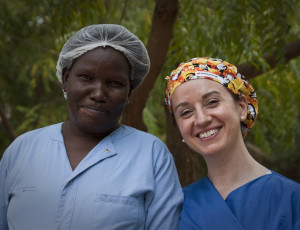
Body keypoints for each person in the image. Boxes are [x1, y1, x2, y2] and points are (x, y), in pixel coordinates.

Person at [0, 24, 183, 230]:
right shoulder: (22, 151)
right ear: (66, 78)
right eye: (86, 77)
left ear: (130, 90)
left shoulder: (152, 156)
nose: (98, 94)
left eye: (114, 83)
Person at [164, 57, 300, 230]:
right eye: (185, 112)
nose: (202, 119)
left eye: (212, 102)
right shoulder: (175, 211)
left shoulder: (292, 200)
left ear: (242, 107)